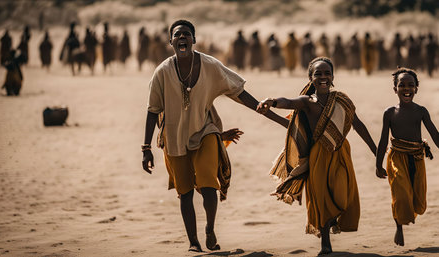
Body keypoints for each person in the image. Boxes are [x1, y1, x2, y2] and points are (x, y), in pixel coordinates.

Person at [142, 20, 288, 253]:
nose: (182, 37)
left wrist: (281, 121)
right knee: (185, 192)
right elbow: (152, 111)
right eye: (177, 34)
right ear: (171, 42)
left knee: (209, 184)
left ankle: (209, 228)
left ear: (194, 40)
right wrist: (145, 148)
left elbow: (240, 94)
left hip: (206, 132)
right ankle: (193, 242)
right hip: (174, 138)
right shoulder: (162, 72)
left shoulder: (210, 66)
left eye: (187, 34)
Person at [257, 57, 376, 255]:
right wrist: (272, 101)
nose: (323, 77)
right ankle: (325, 244)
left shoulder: (342, 100)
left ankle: (332, 222)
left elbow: (358, 125)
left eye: (327, 73)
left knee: (342, 195)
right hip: (318, 156)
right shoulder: (307, 102)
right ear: (310, 78)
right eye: (318, 74)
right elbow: (289, 102)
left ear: (333, 77)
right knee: (320, 198)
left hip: (340, 152)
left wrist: (376, 151)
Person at [375, 67, 439, 246]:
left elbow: (434, 134)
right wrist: (378, 165)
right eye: (401, 85)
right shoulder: (389, 113)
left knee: (419, 202)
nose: (406, 88)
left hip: (417, 158)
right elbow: (382, 141)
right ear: (395, 89)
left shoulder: (421, 111)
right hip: (396, 158)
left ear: (417, 88)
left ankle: (405, 217)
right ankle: (399, 227)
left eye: (411, 85)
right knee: (400, 193)